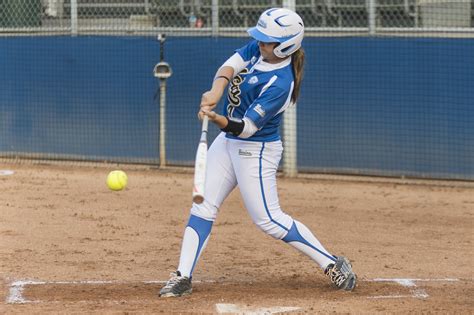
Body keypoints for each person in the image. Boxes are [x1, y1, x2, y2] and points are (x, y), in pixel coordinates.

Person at [159, 7, 357, 298]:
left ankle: (332, 263)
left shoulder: (281, 83)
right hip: (227, 142)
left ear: (286, 45)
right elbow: (228, 66)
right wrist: (216, 92)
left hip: (256, 150)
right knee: (202, 205)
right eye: (261, 39)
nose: (260, 43)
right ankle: (183, 276)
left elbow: (247, 128)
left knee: (269, 220)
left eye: (267, 41)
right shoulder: (260, 49)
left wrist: (217, 119)